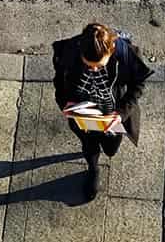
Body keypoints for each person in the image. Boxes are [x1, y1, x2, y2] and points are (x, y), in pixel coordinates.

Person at [52, 23, 153, 201]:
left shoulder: (125, 53)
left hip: (113, 116)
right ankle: (93, 169)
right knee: (89, 146)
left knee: (111, 148)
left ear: (110, 51)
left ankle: (104, 152)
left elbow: (138, 84)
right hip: (82, 115)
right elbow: (59, 82)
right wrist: (65, 106)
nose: (94, 69)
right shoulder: (67, 52)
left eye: (99, 65)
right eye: (88, 65)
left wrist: (121, 114)